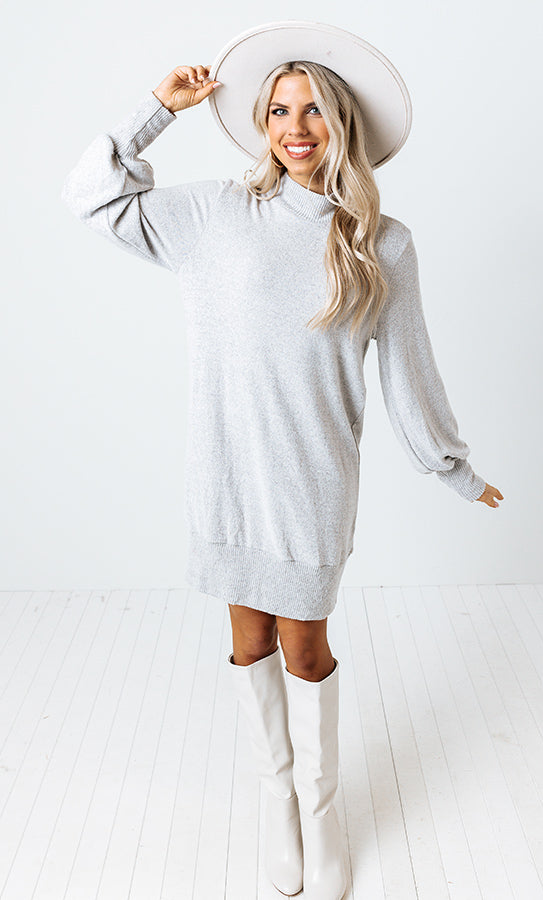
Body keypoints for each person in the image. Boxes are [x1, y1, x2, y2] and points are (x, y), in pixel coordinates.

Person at [61, 20, 504, 900]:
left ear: (343, 122)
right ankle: (278, 807)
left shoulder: (382, 243)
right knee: (248, 638)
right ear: (261, 124)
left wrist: (452, 466)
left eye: (313, 111)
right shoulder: (215, 214)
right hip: (228, 475)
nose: (295, 128)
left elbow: (409, 373)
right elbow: (92, 195)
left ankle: (321, 809)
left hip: (312, 480)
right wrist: (157, 111)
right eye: (277, 111)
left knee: (305, 644)